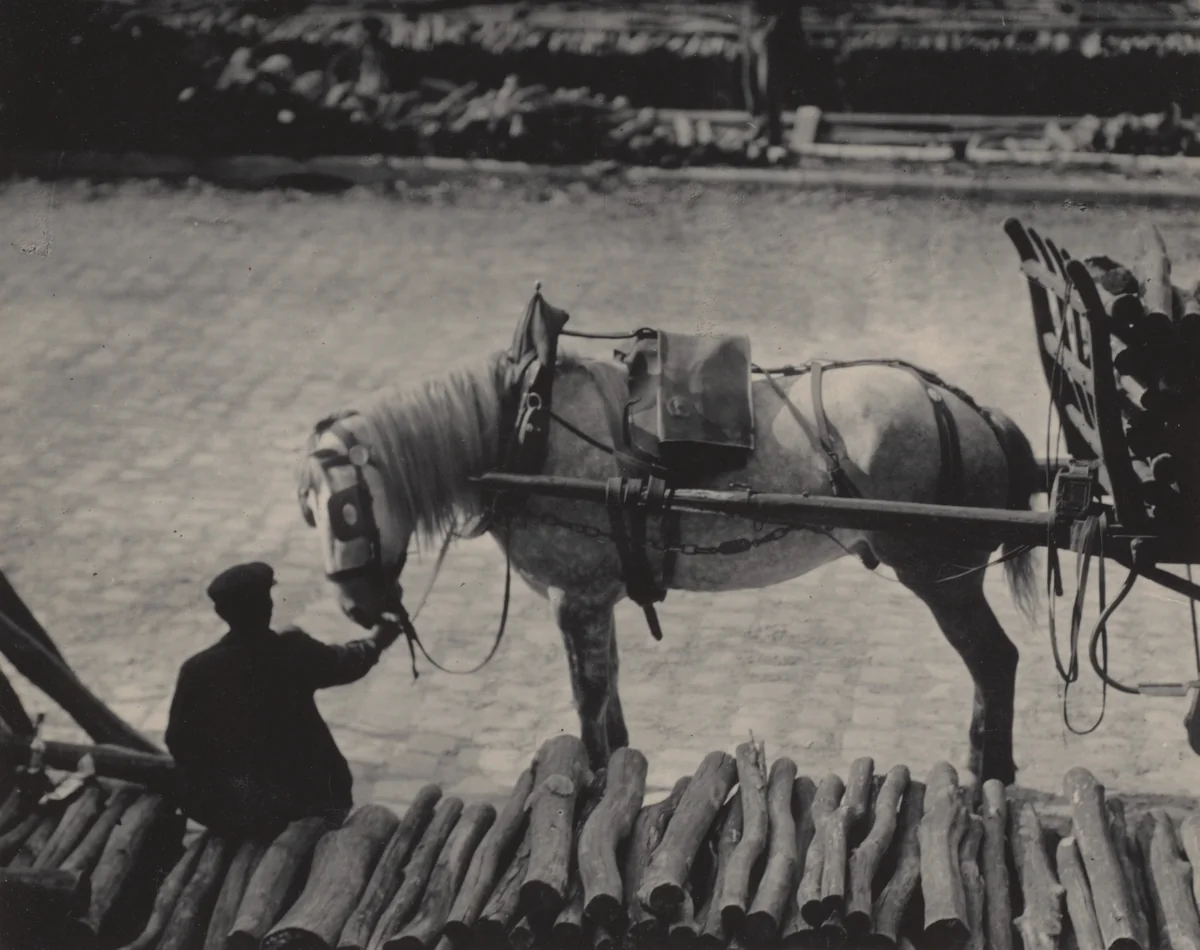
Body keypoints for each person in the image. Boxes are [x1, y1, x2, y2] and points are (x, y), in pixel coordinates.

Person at [165, 562, 398, 837]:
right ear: (268, 606)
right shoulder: (292, 650)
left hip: (232, 810)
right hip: (307, 803)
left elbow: (177, 742)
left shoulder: (196, 670)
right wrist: (377, 641)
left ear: (222, 613)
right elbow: (346, 663)